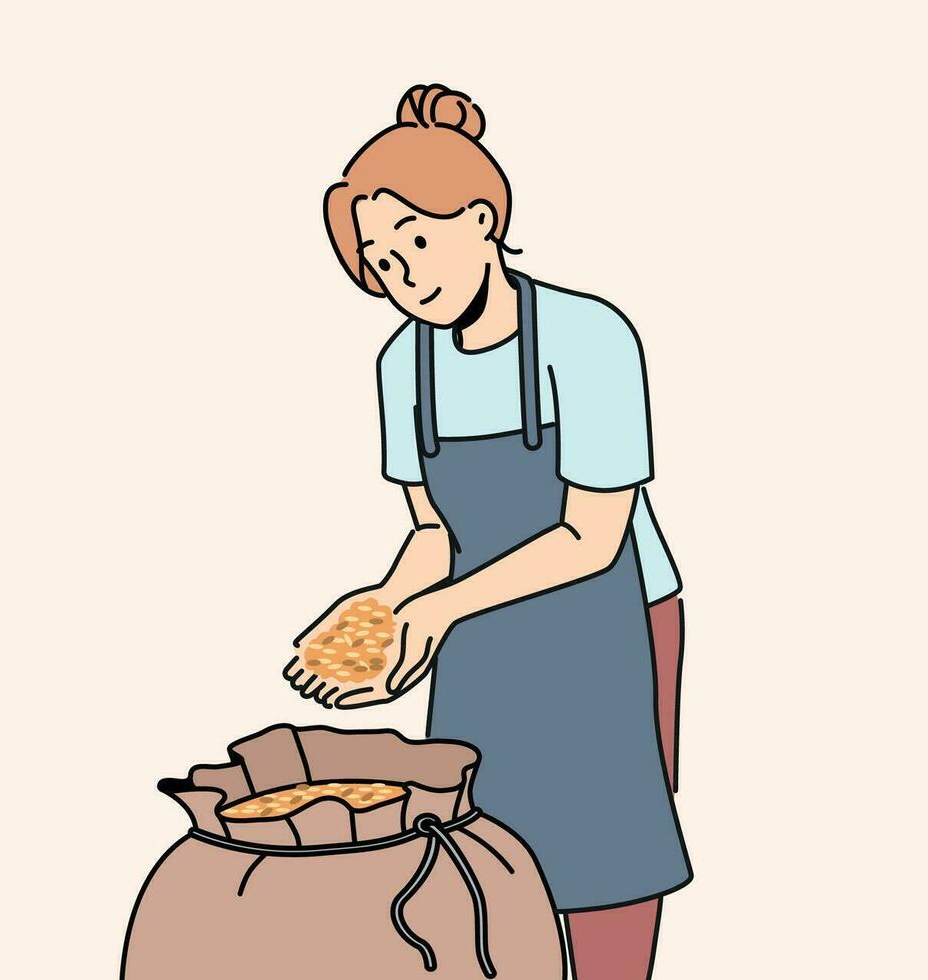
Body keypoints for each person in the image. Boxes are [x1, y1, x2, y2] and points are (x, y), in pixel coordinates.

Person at [285, 83, 691, 979]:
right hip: (477, 637)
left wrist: (435, 612)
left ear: (480, 218)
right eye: (382, 265)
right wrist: (387, 604)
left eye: (417, 244)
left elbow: (591, 539)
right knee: (478, 863)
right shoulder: (404, 364)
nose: (406, 278)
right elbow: (434, 530)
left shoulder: (587, 338)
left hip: (606, 633)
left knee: (603, 862)